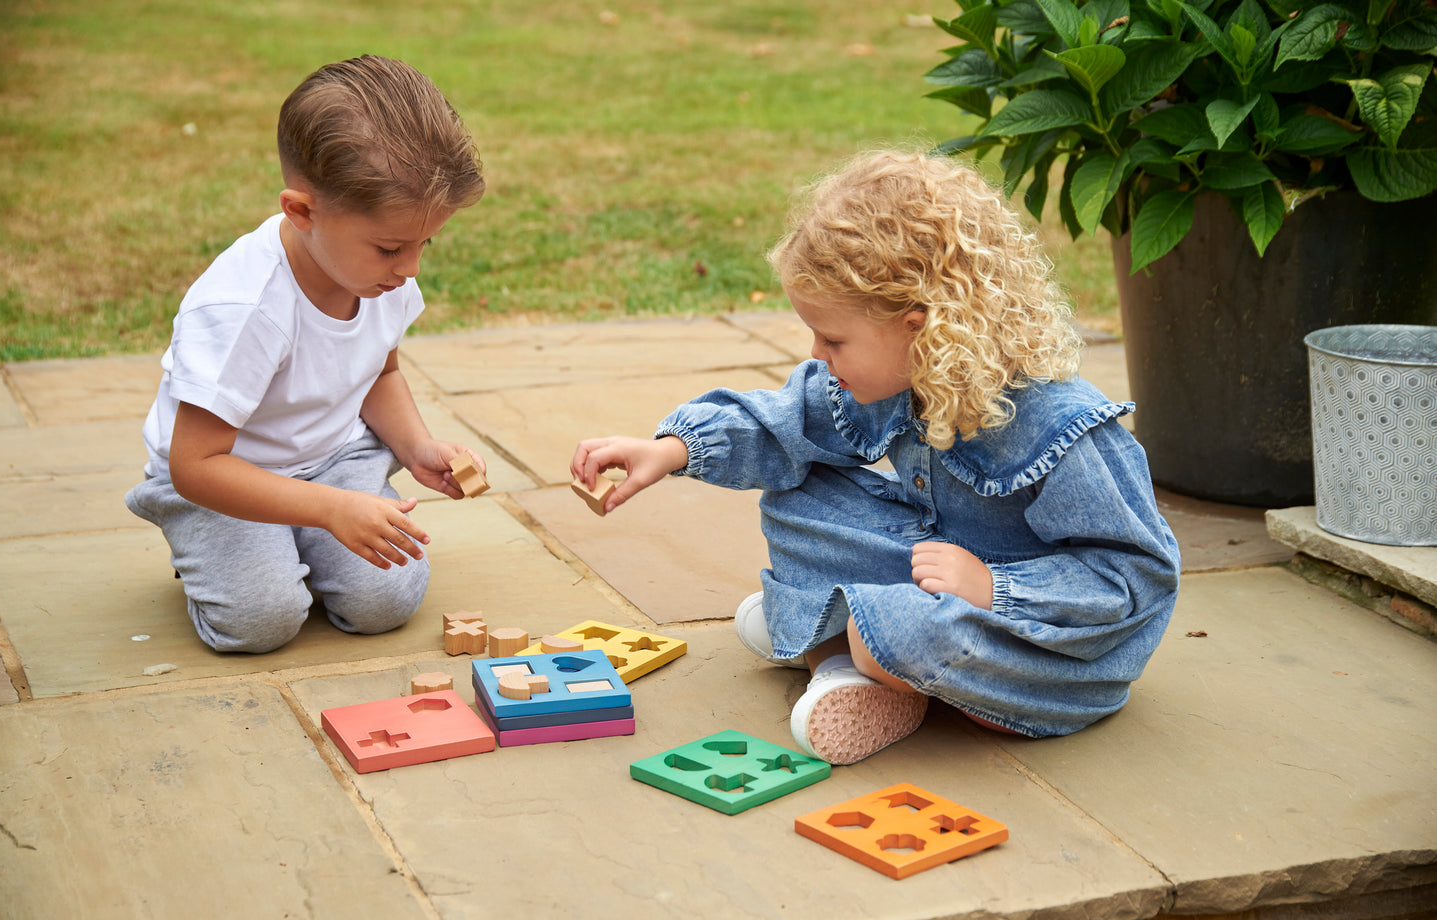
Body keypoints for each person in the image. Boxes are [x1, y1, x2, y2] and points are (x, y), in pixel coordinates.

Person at [571, 150, 1180, 764]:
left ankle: (836, 646)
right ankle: (853, 657)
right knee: (798, 499)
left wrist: (995, 587)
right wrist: (670, 450)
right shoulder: (897, 379)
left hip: (1031, 643)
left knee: (902, 632)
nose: (818, 354)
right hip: (938, 572)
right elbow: (788, 421)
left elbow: (1132, 577)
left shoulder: (1065, 427)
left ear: (921, 328)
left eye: (833, 339)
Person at [126, 55, 488, 654]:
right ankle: (214, 556)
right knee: (259, 623)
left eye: (425, 243)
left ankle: (302, 537)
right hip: (225, 480)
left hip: (334, 460)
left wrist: (415, 445)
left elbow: (378, 369)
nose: (412, 268)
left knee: (386, 603)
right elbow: (197, 465)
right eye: (392, 246)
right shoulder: (243, 311)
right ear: (302, 211)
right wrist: (328, 509)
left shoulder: (380, 278)